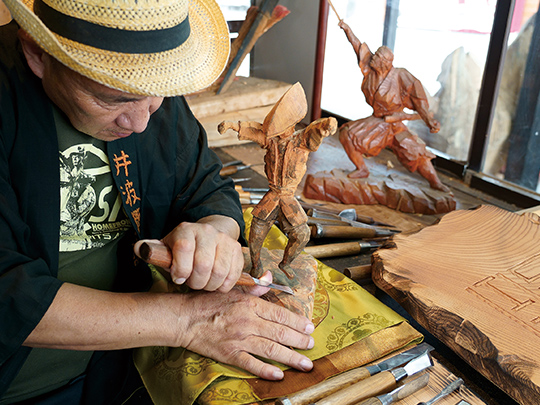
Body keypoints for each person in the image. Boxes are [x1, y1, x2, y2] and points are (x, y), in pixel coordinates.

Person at [0, 0, 315, 403]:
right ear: (37, 53)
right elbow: (7, 291)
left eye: (155, 96)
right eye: (112, 99)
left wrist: (215, 232)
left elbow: (205, 183)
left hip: (121, 369)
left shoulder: (151, 83)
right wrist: (187, 322)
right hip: (22, 385)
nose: (142, 122)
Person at [218, 83, 337, 279]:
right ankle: (256, 265)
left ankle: (286, 263)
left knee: (302, 235)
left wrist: (327, 124)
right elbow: (255, 130)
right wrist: (231, 125)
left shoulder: (302, 141)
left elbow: (315, 131)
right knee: (255, 233)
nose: (273, 130)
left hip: (288, 198)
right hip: (272, 196)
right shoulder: (271, 140)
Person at [337, 20, 449, 192]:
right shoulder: (370, 70)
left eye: (377, 58)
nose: (372, 58)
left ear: (385, 63)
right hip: (378, 121)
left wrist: (428, 120)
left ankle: (435, 182)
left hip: (395, 122)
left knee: (415, 151)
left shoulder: (400, 76)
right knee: (346, 135)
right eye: (374, 56)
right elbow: (358, 47)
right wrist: (347, 30)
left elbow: (418, 98)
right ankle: (362, 169)